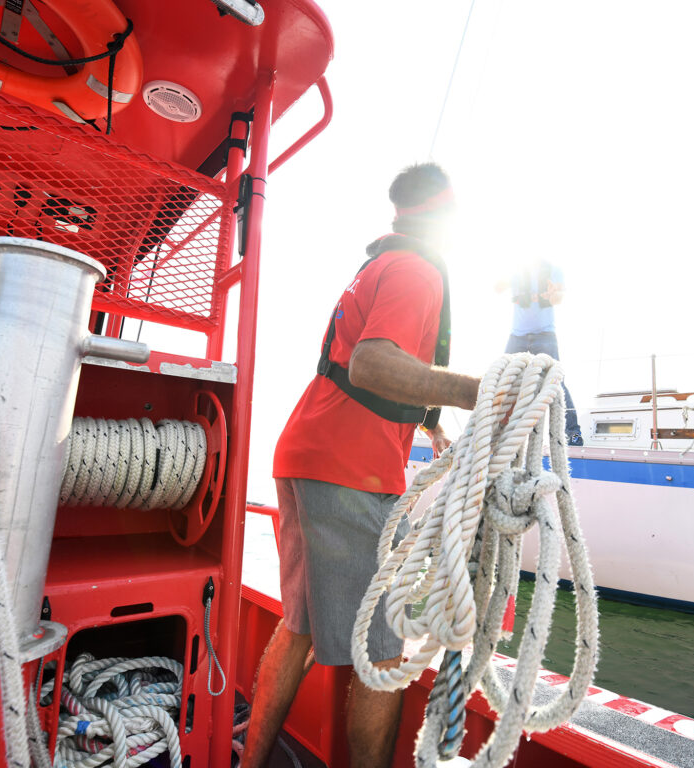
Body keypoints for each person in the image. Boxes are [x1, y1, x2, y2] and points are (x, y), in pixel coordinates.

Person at [241, 163, 481, 768]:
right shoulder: (417, 270)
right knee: (382, 653)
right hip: (350, 472)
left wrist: (430, 424)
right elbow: (372, 364)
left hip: (305, 454)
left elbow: (365, 363)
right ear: (444, 213)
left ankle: (250, 761)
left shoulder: (381, 264)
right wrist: (479, 392)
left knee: (298, 627)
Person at [500, 259, 583, 445]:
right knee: (504, 380)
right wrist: (504, 280)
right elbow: (497, 287)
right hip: (517, 336)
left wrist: (553, 294)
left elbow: (558, 297)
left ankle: (573, 433)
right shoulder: (517, 270)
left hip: (545, 335)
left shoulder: (554, 270)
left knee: (556, 382)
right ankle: (499, 431)